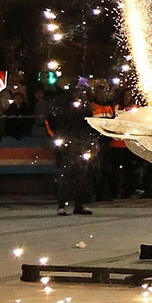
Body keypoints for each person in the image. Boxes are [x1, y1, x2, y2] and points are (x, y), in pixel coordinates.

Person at [46, 81, 96, 216]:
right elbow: (51, 120)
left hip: (80, 142)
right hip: (66, 142)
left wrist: (89, 140)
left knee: (81, 174)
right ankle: (62, 204)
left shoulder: (84, 104)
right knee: (65, 174)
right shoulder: (61, 103)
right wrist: (57, 136)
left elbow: (89, 122)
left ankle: (80, 203)